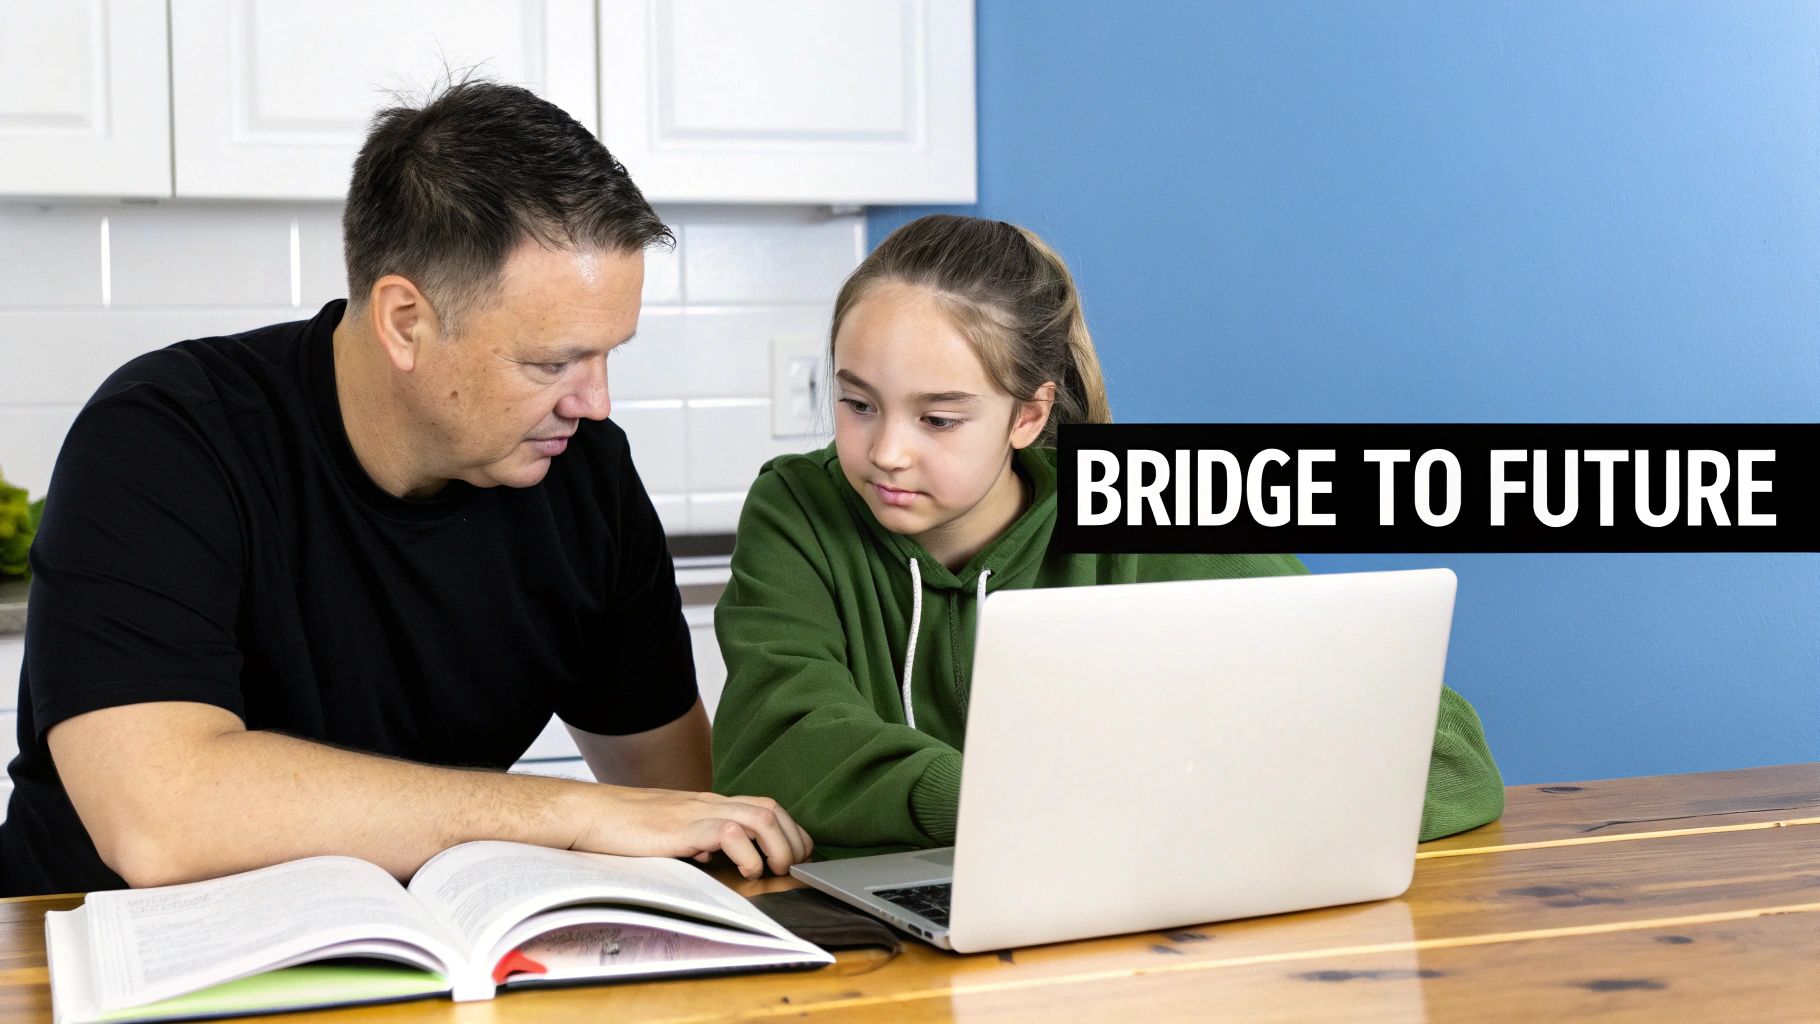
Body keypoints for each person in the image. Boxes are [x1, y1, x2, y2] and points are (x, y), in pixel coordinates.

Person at [0, 81, 811, 898]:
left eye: (608, 355)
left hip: (403, 948)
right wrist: (570, 813)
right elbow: (160, 818)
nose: (594, 402)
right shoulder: (164, 439)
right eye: (551, 362)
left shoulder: (584, 473)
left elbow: (677, 800)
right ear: (404, 322)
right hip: (85, 948)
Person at [711, 214, 1504, 858]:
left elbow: (1443, 758)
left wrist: (1174, 807)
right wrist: (1016, 802)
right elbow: (782, 742)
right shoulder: (799, 508)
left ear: (1029, 415)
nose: (887, 450)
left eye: (939, 418)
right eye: (858, 404)